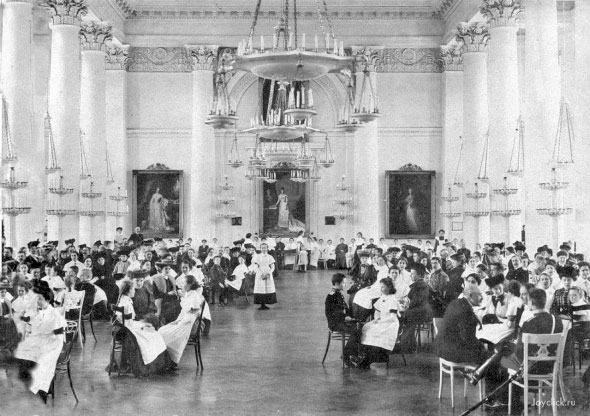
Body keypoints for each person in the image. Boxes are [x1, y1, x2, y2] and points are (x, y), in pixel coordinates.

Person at [14, 281, 66, 402]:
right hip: (46, 340)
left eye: (40, 299)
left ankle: (43, 390)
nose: (38, 302)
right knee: (23, 351)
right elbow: (33, 319)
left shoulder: (54, 314)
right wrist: (21, 318)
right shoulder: (43, 311)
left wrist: (44, 345)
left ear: (48, 300)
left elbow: (58, 337)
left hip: (55, 344)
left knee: (42, 360)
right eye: (37, 299)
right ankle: (35, 386)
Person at [110, 280, 169, 375]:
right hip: (127, 329)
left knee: (151, 332)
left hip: (121, 327)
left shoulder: (123, 299)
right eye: (133, 289)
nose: (134, 291)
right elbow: (129, 323)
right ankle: (154, 365)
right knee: (154, 335)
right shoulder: (127, 304)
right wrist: (143, 324)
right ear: (128, 291)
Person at [355, 277, 401, 369]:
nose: (381, 289)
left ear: (389, 287)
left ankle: (375, 357)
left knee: (376, 331)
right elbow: (377, 311)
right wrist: (377, 318)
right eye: (380, 287)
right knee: (366, 327)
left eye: (383, 287)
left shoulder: (393, 300)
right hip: (381, 321)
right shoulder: (382, 298)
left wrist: (381, 321)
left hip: (390, 323)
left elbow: (392, 317)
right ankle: (366, 355)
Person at [158, 275, 204, 366]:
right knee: (162, 330)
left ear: (190, 285)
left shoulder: (193, 295)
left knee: (162, 333)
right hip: (184, 321)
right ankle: (167, 360)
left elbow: (195, 311)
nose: (181, 285)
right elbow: (184, 312)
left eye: (183, 283)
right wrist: (176, 321)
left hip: (188, 324)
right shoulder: (189, 294)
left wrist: (180, 322)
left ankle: (170, 361)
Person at [436, 285, 486, 364]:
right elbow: (467, 338)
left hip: (443, 348)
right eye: (479, 294)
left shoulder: (457, 302)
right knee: (490, 356)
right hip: (452, 352)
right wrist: (482, 345)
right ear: (471, 296)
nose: (482, 297)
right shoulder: (465, 310)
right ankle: (478, 372)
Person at [324, 273, 361, 367]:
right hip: (335, 323)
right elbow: (334, 313)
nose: (345, 285)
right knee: (355, 331)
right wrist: (345, 317)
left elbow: (345, 308)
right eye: (344, 283)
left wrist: (350, 316)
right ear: (337, 283)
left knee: (360, 328)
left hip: (341, 321)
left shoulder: (338, 294)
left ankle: (353, 354)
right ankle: (346, 355)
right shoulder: (331, 296)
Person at [401, 263, 433, 352]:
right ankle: (409, 345)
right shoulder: (418, 284)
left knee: (404, 316)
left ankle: (406, 345)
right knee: (405, 316)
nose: (410, 275)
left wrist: (407, 305)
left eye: (412, 273)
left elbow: (417, 300)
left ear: (419, 274)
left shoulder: (420, 285)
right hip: (420, 309)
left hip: (421, 311)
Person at [252, 243, 277, 310]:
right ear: (260, 249)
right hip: (260, 274)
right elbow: (256, 267)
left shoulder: (270, 257)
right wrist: (261, 274)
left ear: (267, 248)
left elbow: (273, 267)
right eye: (262, 248)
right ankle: (262, 305)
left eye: (265, 247)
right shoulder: (257, 257)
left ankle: (265, 304)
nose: (264, 249)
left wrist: (269, 273)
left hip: (268, 274)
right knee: (261, 288)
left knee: (267, 289)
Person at [0, 280, 19, 352]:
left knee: (10, 324)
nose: (3, 294)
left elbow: (11, 311)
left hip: (6, 319)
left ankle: (9, 345)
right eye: (2, 292)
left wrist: (9, 314)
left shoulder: (7, 301)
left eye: (5, 292)